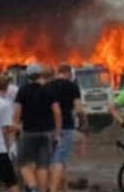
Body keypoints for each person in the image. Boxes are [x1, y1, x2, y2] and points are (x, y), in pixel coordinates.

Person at [13, 64, 61, 192]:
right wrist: (57, 132)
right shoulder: (49, 90)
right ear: (41, 75)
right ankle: (41, 189)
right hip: (46, 133)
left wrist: (16, 126)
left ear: (27, 76)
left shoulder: (23, 91)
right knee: (43, 165)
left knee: (22, 162)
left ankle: (33, 187)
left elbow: (17, 112)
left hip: (28, 132)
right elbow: (57, 111)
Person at [46, 64, 85, 192]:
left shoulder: (48, 86)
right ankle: (52, 188)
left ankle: (62, 188)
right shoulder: (72, 86)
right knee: (59, 158)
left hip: (49, 127)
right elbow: (78, 108)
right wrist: (83, 124)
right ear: (68, 73)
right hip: (66, 126)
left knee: (53, 159)